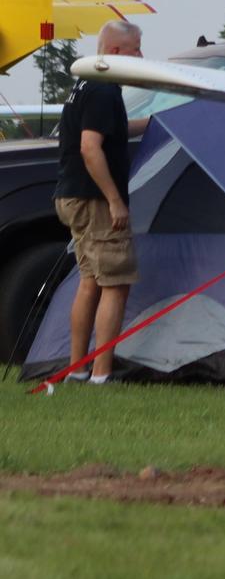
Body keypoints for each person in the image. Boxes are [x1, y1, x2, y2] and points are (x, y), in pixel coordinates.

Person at [53, 20, 142, 382]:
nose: (140, 55)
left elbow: (106, 131)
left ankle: (78, 367)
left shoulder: (86, 83)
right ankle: (101, 374)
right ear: (117, 51)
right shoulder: (105, 89)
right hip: (94, 200)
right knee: (115, 282)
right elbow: (90, 147)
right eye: (136, 48)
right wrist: (114, 200)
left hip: (71, 195)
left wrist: (153, 121)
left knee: (90, 281)